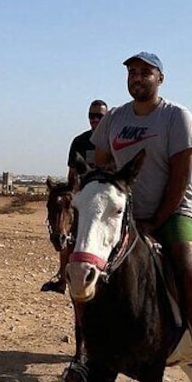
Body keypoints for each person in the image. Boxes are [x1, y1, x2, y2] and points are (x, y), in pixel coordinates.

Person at [91, 51, 192, 382]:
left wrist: (156, 220)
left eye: (145, 72)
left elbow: (180, 179)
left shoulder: (176, 117)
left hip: (174, 211)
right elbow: (102, 165)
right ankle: (87, 351)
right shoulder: (114, 119)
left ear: (160, 78)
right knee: (86, 266)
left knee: (187, 269)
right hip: (128, 217)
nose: (137, 77)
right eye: (132, 72)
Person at [41, 99, 108, 294]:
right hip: (83, 192)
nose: (94, 119)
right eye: (91, 115)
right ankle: (62, 277)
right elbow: (72, 172)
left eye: (99, 116)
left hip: (105, 194)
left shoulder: (112, 139)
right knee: (63, 225)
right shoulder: (80, 141)